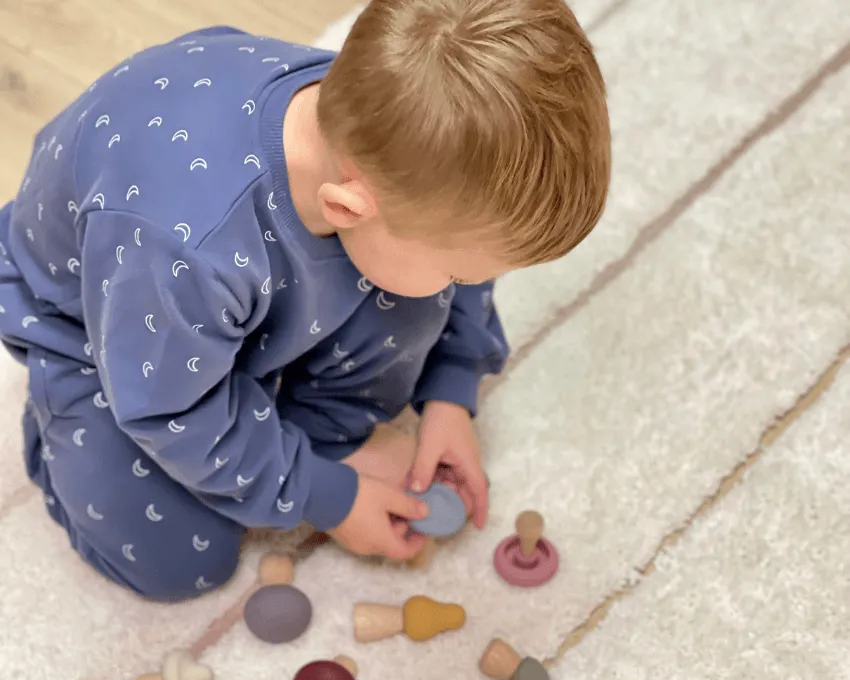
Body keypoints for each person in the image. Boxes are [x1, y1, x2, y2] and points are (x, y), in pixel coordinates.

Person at [0, 0, 610, 602]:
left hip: (205, 296)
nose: (467, 282)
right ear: (347, 207)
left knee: (412, 294)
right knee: (181, 558)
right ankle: (59, 423)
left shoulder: (392, 133)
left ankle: (286, 423)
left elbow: (462, 274)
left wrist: (451, 392)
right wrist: (329, 498)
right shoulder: (187, 246)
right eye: (458, 269)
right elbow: (169, 413)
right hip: (100, 327)